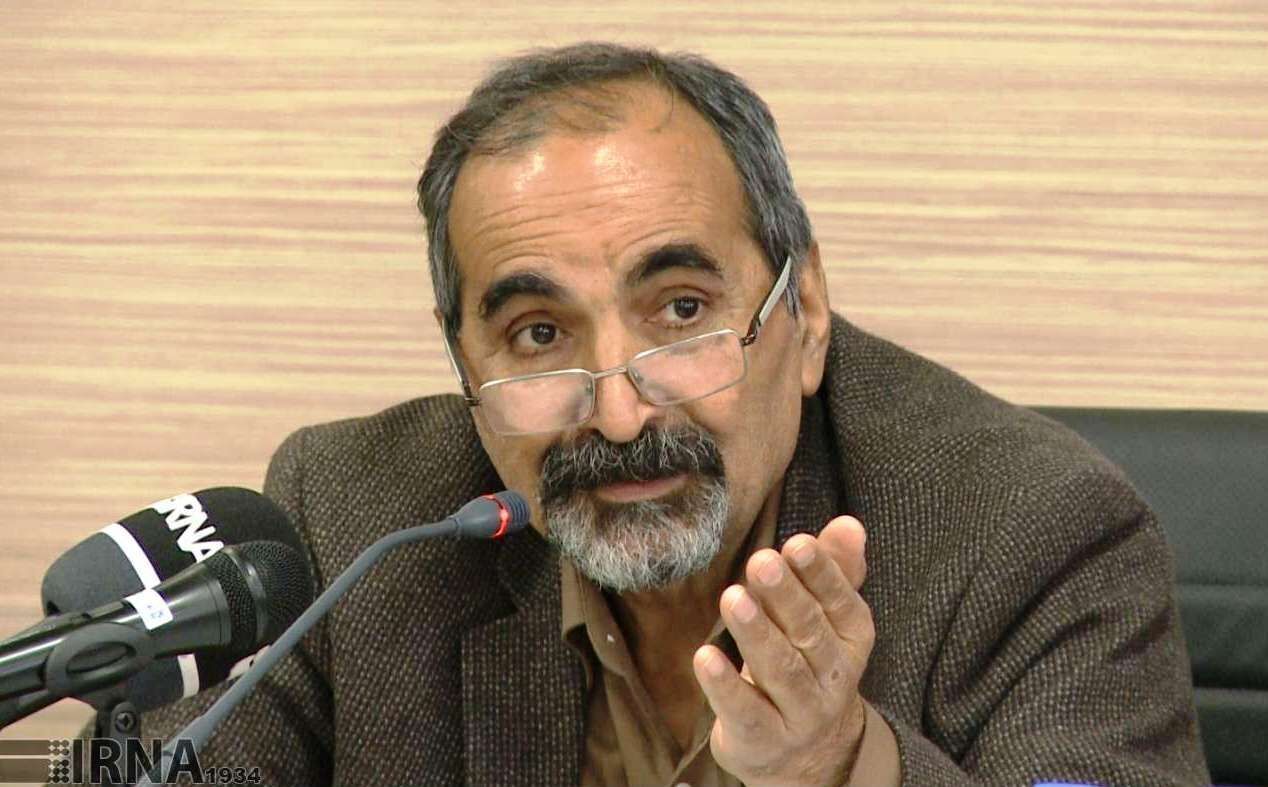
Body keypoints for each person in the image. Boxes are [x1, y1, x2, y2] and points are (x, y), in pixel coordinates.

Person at [81, 43, 1207, 786]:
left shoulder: (1030, 530)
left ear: (805, 309)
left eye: (681, 309)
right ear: (462, 358)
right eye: (538, 334)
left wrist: (841, 764)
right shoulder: (359, 520)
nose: (618, 414)